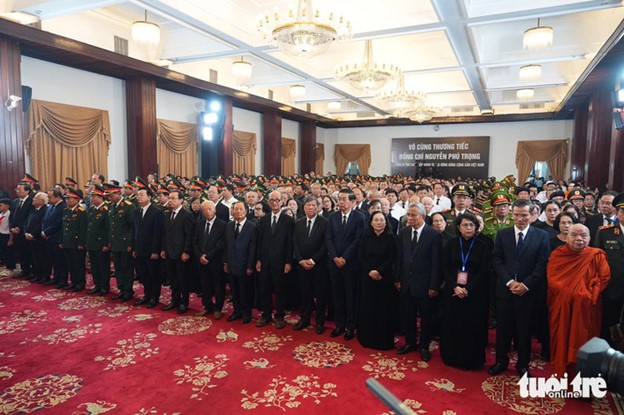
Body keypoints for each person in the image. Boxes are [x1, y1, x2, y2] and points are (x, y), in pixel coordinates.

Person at [488, 199, 550, 377]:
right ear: (511, 215)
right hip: (505, 291)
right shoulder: (503, 234)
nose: (520, 219)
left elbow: (541, 263)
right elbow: (497, 260)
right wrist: (509, 282)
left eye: (524, 215)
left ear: (532, 215)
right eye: (516, 215)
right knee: (503, 330)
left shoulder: (541, 236)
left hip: (528, 292)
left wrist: (526, 284)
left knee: (524, 331)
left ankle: (523, 365)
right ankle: (501, 361)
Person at [547, 223, 610, 377]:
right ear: (566, 237)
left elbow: (604, 278)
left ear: (589, 238)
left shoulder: (596, 255)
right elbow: (553, 281)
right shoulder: (558, 254)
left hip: (587, 308)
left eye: (583, 235)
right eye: (574, 235)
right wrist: (575, 294)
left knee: (586, 342)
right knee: (562, 339)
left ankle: (584, 381)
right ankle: (561, 376)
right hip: (563, 307)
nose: (579, 239)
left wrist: (587, 295)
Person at [440, 213, 490, 370]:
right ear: (458, 227)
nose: (468, 228)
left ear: (476, 227)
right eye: (465, 225)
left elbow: (484, 271)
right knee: (452, 323)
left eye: (471, 225)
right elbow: (445, 267)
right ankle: (451, 356)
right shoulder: (451, 244)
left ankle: (470, 359)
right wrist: (455, 286)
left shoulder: (483, 245)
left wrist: (467, 288)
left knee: (471, 325)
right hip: (453, 291)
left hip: (474, 293)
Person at [395, 202, 443, 361]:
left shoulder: (433, 235)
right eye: (408, 215)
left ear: (422, 216)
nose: (409, 218)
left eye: (413, 215)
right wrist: (397, 278)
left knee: (426, 318)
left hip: (425, 285)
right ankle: (410, 343)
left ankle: (424, 346)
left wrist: (434, 285)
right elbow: (399, 258)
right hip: (406, 283)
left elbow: (437, 263)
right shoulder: (403, 232)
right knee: (407, 316)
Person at [326, 188, 366, 340]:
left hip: (351, 264)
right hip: (334, 263)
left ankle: (351, 326)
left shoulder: (359, 217)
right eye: (339, 199)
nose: (341, 202)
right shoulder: (332, 217)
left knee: (350, 296)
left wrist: (345, 257)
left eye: (344, 199)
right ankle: (339, 325)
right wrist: (335, 257)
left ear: (353, 201)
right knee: (337, 296)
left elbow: (358, 240)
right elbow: (328, 238)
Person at [357, 211, 397, 350]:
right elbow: (361, 256)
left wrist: (379, 271)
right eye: (376, 220)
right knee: (368, 307)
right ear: (371, 222)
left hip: (384, 278)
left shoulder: (391, 238)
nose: (379, 222)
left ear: (386, 222)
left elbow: (391, 258)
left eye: (382, 220)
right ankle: (367, 338)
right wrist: (371, 271)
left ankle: (382, 340)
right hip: (367, 277)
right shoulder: (365, 237)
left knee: (383, 308)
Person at [255, 191, 295, 329]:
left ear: (282, 202)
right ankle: (266, 315)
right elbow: (260, 242)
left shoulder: (289, 220)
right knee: (264, 289)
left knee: (280, 290)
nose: (274, 202)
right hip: (265, 261)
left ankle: (279, 316)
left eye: (277, 200)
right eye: (271, 200)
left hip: (281, 261)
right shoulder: (264, 219)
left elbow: (290, 243)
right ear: (268, 202)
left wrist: (288, 261)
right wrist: (259, 260)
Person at [293, 196, 328, 334]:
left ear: (318, 207)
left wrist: (313, 260)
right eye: (308, 205)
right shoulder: (299, 222)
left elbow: (326, 244)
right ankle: (305, 319)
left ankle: (320, 322)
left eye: (314, 205)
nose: (311, 208)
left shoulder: (325, 222)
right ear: (304, 207)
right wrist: (301, 260)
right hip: (302, 265)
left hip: (319, 265)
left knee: (320, 295)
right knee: (305, 294)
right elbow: (295, 242)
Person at [593, 192, 624, 342]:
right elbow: (596, 261)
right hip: (611, 289)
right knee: (607, 325)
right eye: (622, 211)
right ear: (617, 213)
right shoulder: (605, 232)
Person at [160, 190, 195, 314]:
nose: (170, 200)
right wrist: (163, 249)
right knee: (173, 279)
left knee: (182, 279)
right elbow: (165, 234)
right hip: (169, 252)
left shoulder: (187, 215)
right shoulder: (167, 214)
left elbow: (189, 236)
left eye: (174, 198)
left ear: (181, 200)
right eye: (170, 198)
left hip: (181, 253)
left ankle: (184, 302)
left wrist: (186, 251)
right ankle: (174, 300)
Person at [224, 202, 257, 324]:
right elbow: (226, 246)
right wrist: (226, 262)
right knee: (234, 291)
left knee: (245, 291)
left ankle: (246, 313)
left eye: (240, 209)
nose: (238, 211)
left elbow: (253, 248)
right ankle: (236, 311)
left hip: (244, 265)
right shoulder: (229, 226)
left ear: (246, 211)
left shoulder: (252, 227)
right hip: (232, 264)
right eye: (235, 209)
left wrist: (250, 266)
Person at [193, 200, 227, 319]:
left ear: (215, 210)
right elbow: (195, 242)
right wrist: (199, 256)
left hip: (215, 261)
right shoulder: (199, 224)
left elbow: (221, 244)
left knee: (218, 286)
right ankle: (207, 306)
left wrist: (207, 257)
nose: (207, 212)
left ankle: (218, 308)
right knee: (205, 285)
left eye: (210, 209)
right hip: (201, 261)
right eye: (204, 210)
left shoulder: (222, 224)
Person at [133, 188, 165, 308]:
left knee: (154, 276)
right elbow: (135, 231)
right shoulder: (137, 211)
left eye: (141, 195)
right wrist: (135, 248)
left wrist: (155, 251)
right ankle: (147, 295)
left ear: (150, 197)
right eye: (137, 195)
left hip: (151, 250)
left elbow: (158, 233)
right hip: (140, 249)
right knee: (144, 275)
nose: (138, 197)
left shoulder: (157, 212)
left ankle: (154, 297)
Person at [106, 184, 135, 302]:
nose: (109, 198)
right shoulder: (112, 206)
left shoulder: (128, 206)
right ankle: (121, 289)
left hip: (125, 243)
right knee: (118, 268)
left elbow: (132, 227)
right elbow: (111, 227)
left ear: (118, 194)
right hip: (115, 243)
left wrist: (130, 244)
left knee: (127, 268)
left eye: (111, 195)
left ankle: (128, 290)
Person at [60, 189, 88, 292]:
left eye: (69, 199)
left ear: (77, 200)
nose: (67, 201)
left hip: (76, 243)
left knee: (78, 264)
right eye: (66, 199)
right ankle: (74, 282)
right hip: (67, 242)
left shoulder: (82, 212)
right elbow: (63, 228)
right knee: (70, 264)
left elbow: (83, 229)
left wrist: (81, 243)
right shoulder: (66, 211)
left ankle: (80, 282)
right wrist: (61, 241)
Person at [85, 185, 111, 295]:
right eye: (91, 196)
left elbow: (108, 229)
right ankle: (97, 285)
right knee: (94, 266)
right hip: (92, 242)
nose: (91, 199)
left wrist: (106, 244)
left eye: (94, 196)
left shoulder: (106, 210)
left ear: (101, 197)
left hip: (101, 244)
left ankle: (104, 286)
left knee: (103, 266)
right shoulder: (91, 210)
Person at [24, 192, 50, 283]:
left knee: (43, 258)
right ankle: (38, 274)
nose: (33, 199)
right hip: (30, 237)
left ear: (42, 201)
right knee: (35, 258)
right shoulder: (33, 209)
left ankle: (45, 275)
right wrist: (26, 232)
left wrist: (33, 234)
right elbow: (26, 222)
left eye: (35, 198)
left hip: (39, 238)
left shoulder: (45, 210)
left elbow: (41, 224)